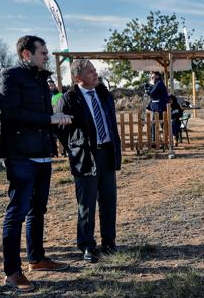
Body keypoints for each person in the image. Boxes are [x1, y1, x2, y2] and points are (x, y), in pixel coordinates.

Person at [0, 35, 72, 292]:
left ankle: (37, 259)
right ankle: (12, 272)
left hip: (42, 154)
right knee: (17, 212)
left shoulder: (41, 78)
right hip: (20, 155)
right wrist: (49, 120)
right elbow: (11, 113)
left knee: (37, 210)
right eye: (42, 52)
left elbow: (42, 115)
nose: (47, 55)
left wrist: (55, 120)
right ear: (26, 54)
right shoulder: (10, 76)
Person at [56, 59, 122, 263]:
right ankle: (87, 246)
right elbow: (60, 130)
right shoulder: (69, 98)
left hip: (107, 154)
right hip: (85, 158)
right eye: (90, 72)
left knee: (109, 201)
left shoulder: (103, 94)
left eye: (95, 70)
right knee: (86, 204)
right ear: (78, 78)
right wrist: (75, 148)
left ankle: (109, 242)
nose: (95, 74)